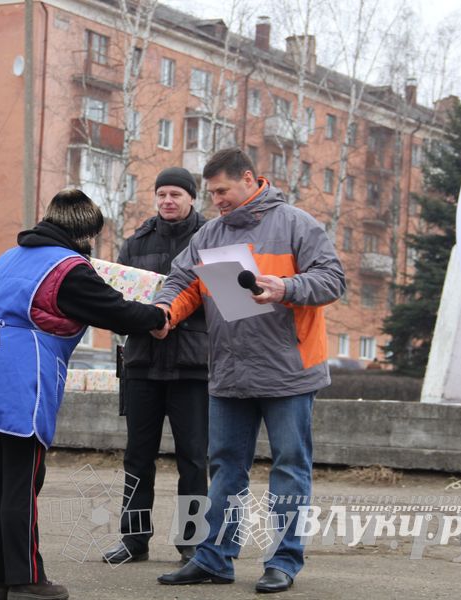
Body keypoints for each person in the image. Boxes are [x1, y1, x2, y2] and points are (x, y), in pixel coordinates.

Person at [0, 189, 169, 600]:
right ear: (86, 232)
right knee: (23, 481)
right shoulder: (68, 267)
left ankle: (0, 578)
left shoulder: (8, 258)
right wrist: (159, 316)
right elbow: (116, 310)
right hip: (20, 371)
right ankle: (26, 579)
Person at [154, 148, 345, 593]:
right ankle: (215, 558)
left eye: (222, 190)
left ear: (248, 178)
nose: (216, 200)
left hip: (289, 372)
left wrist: (286, 287)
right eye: (212, 193)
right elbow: (183, 282)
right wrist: (165, 311)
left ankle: (283, 561)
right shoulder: (210, 234)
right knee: (223, 467)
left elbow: (332, 279)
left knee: (290, 467)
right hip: (229, 372)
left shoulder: (297, 223)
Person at [102, 167, 209, 567]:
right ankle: (134, 540)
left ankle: (192, 544)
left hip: (193, 365)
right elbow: (114, 299)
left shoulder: (211, 239)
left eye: (176, 194)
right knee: (137, 456)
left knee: (194, 459)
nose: (168, 200)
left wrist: (175, 317)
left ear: (192, 198)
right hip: (143, 363)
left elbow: (223, 302)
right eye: (161, 193)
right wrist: (144, 321)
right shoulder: (136, 243)